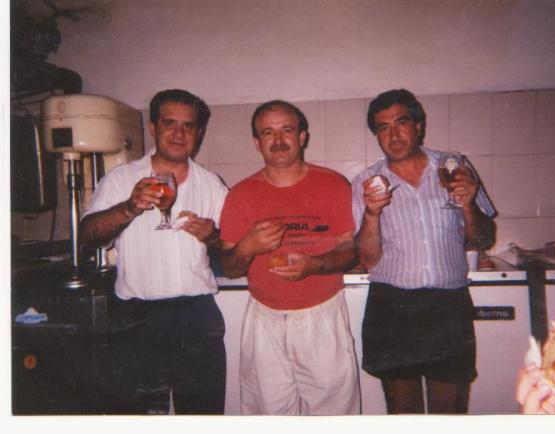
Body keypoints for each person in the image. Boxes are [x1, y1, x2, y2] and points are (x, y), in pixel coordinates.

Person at [80, 89, 227, 414]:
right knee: (136, 416)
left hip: (195, 317)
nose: (179, 133)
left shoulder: (212, 184)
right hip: (136, 320)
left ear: (199, 133)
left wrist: (212, 236)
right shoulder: (121, 178)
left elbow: (229, 248)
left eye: (188, 126)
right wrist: (129, 207)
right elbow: (87, 237)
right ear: (153, 127)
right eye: (170, 123)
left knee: (203, 416)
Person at [352, 89, 497, 414]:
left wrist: (469, 205)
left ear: (419, 125)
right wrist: (372, 214)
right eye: (383, 128)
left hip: (448, 305)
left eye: (401, 123)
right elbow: (367, 260)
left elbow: (483, 239)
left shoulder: (454, 167)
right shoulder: (365, 182)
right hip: (392, 306)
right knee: (404, 415)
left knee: (449, 414)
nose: (394, 135)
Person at [218, 100, 360, 415]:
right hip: (264, 320)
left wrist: (315, 265)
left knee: (334, 418)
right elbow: (229, 268)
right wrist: (247, 247)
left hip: (323, 317)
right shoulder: (240, 195)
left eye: (287, 130)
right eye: (267, 132)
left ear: (302, 137)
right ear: (257, 143)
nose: (278, 140)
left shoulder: (333, 184)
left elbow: (350, 252)